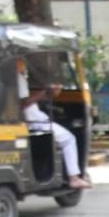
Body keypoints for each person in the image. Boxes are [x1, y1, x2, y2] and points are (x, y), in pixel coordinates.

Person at [16, 60, 90, 189]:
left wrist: (47, 94)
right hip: (32, 121)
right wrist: (42, 94)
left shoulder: (4, 77)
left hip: (32, 118)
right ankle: (74, 178)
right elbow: (21, 104)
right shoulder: (17, 78)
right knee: (69, 139)